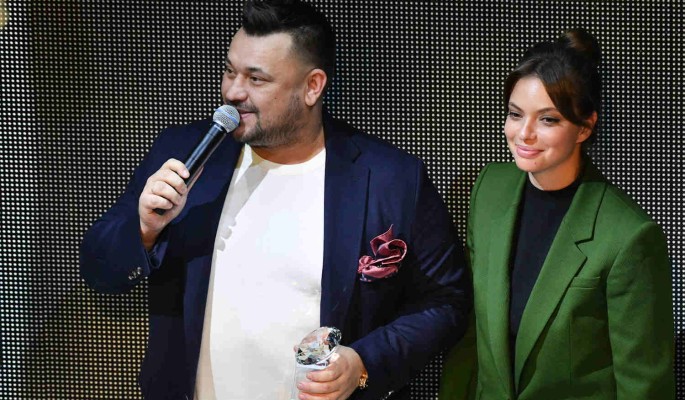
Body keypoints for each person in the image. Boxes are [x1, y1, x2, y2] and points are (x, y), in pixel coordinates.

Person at [79, 1, 470, 399]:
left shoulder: (390, 178)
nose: (233, 92)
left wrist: (363, 364)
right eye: (229, 71)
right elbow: (99, 269)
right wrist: (144, 230)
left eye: (257, 79)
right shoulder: (183, 153)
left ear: (312, 86)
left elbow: (447, 300)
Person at [440, 29, 674, 399]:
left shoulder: (629, 236)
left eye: (548, 119)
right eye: (515, 114)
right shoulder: (488, 190)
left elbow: (644, 386)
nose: (524, 134)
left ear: (585, 127)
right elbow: (471, 334)